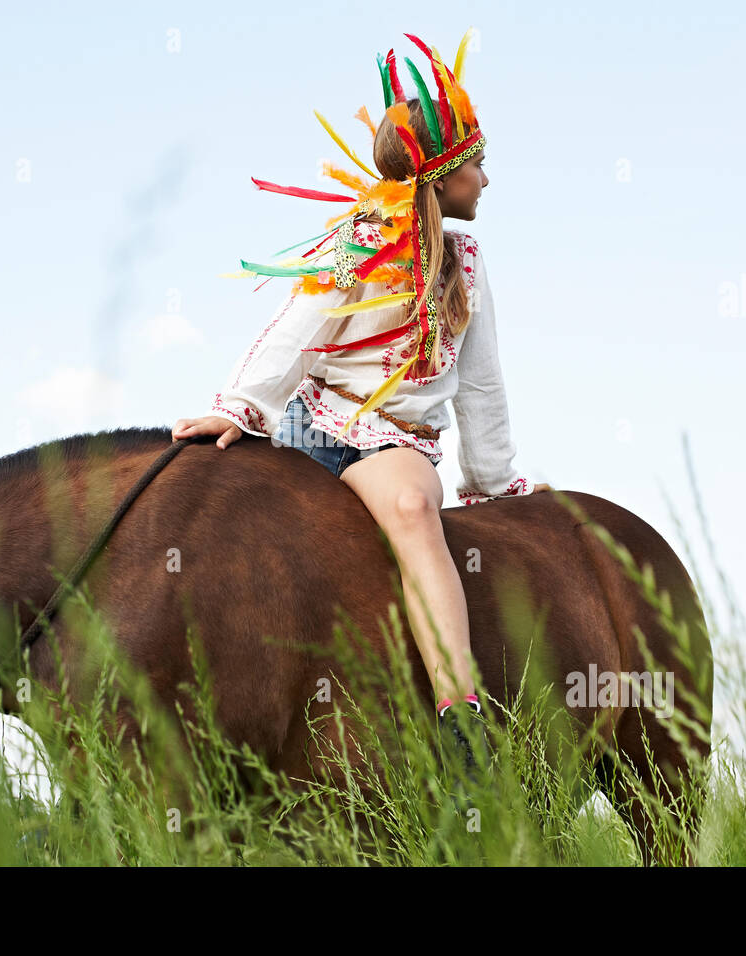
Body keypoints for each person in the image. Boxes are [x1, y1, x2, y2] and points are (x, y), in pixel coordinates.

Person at [172, 30, 550, 786]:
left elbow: (479, 383)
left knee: (412, 509)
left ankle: (460, 712)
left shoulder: (468, 265)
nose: (486, 178)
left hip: (392, 443)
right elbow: (299, 331)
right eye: (476, 164)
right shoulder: (359, 241)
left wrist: (492, 479)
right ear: (441, 179)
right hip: (312, 429)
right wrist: (242, 407)